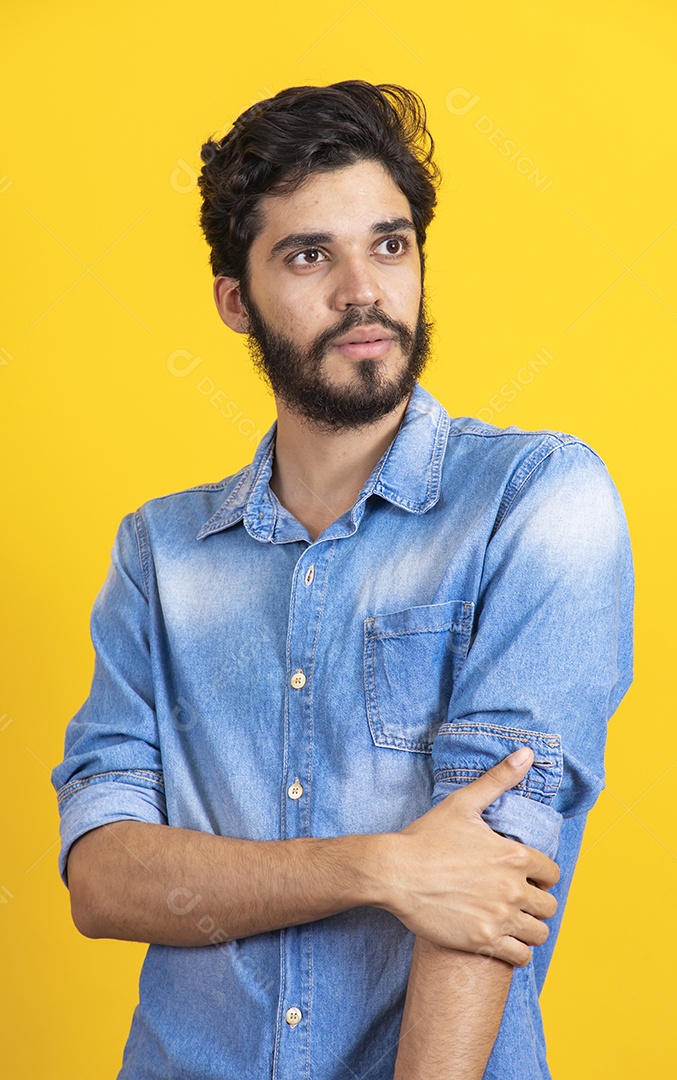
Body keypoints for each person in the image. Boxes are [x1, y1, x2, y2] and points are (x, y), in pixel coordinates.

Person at [51, 81, 634, 1079]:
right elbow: (104, 879)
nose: (364, 291)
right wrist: (381, 866)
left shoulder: (537, 498)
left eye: (391, 244)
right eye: (310, 254)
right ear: (235, 301)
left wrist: (425, 875)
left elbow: (484, 882)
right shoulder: (159, 555)